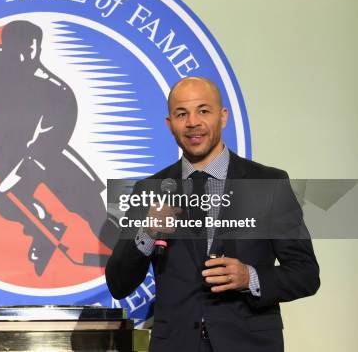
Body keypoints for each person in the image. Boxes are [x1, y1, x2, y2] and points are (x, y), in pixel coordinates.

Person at [105, 77, 319, 352]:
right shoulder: (150, 189)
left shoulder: (267, 184)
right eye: (182, 114)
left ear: (223, 117)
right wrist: (146, 234)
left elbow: (306, 274)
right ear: (170, 124)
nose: (193, 122)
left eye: (203, 111)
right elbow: (118, 283)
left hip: (249, 344)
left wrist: (250, 277)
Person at [0, 20, 117, 275]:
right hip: (5, 153)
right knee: (4, 199)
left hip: (49, 154)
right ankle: (46, 231)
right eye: (15, 50)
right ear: (5, 47)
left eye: (28, 50)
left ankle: (125, 251)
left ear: (38, 48)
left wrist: (18, 176)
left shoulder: (57, 91)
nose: (21, 57)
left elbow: (46, 146)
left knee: (90, 203)